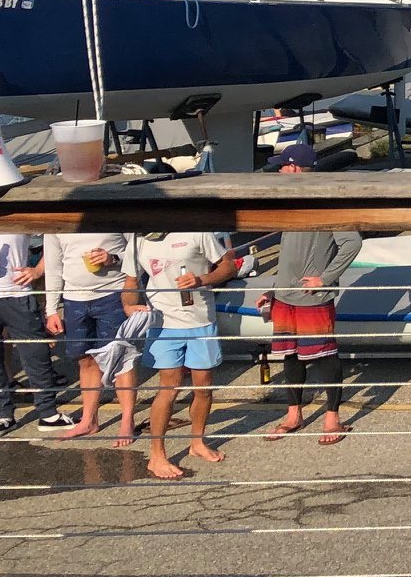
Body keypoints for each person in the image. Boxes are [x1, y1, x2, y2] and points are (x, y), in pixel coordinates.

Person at [259, 142, 362, 446]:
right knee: (290, 355)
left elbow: (352, 243)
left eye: (282, 166)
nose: (279, 171)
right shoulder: (291, 204)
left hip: (313, 298)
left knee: (325, 356)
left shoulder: (325, 202)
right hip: (285, 296)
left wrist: (326, 278)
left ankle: (332, 417)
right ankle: (294, 414)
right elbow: (288, 256)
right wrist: (273, 289)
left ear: (294, 168)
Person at [125, 231, 240, 479]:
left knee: (204, 387)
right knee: (169, 387)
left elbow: (228, 266)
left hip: (201, 320)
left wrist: (201, 280)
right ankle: (157, 456)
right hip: (162, 323)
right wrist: (128, 306)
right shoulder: (138, 239)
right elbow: (131, 282)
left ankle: (197, 443)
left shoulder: (197, 231)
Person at [45, 231, 138, 444]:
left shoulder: (112, 214)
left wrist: (113, 258)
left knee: (120, 358)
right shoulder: (57, 221)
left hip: (113, 294)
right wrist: (51, 310)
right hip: (73, 299)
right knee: (85, 359)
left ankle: (127, 421)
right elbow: (53, 266)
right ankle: (89, 420)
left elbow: (138, 251)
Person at [0, 234, 70, 432]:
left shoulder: (15, 215)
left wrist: (38, 270)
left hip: (18, 294)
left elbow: (54, 236)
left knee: (36, 355)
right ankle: (3, 414)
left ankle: (48, 414)